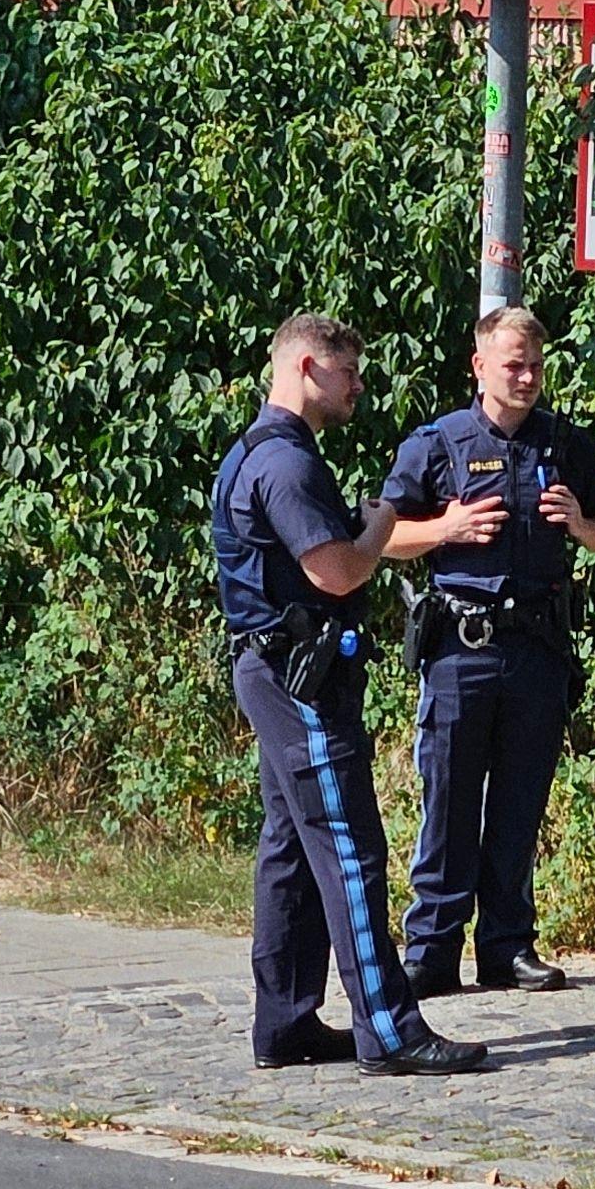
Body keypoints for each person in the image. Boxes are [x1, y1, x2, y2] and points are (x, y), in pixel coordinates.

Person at [210, 314, 486, 1075]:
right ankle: (390, 1031)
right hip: (299, 681)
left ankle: (287, 1022)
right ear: (304, 368)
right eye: (347, 373)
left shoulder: (254, 451)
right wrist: (378, 529)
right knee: (349, 849)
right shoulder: (286, 466)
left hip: (277, 671)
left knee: (292, 850)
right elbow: (335, 571)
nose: (357, 387)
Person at [380, 306, 595, 995]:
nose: (526, 378)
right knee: (451, 804)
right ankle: (431, 950)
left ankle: (507, 947)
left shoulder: (566, 445)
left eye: (536, 367)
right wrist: (445, 526)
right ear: (480, 365)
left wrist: (583, 525)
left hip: (538, 647)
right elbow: (379, 537)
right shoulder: (438, 444)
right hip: (461, 647)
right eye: (513, 364)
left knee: (521, 805)